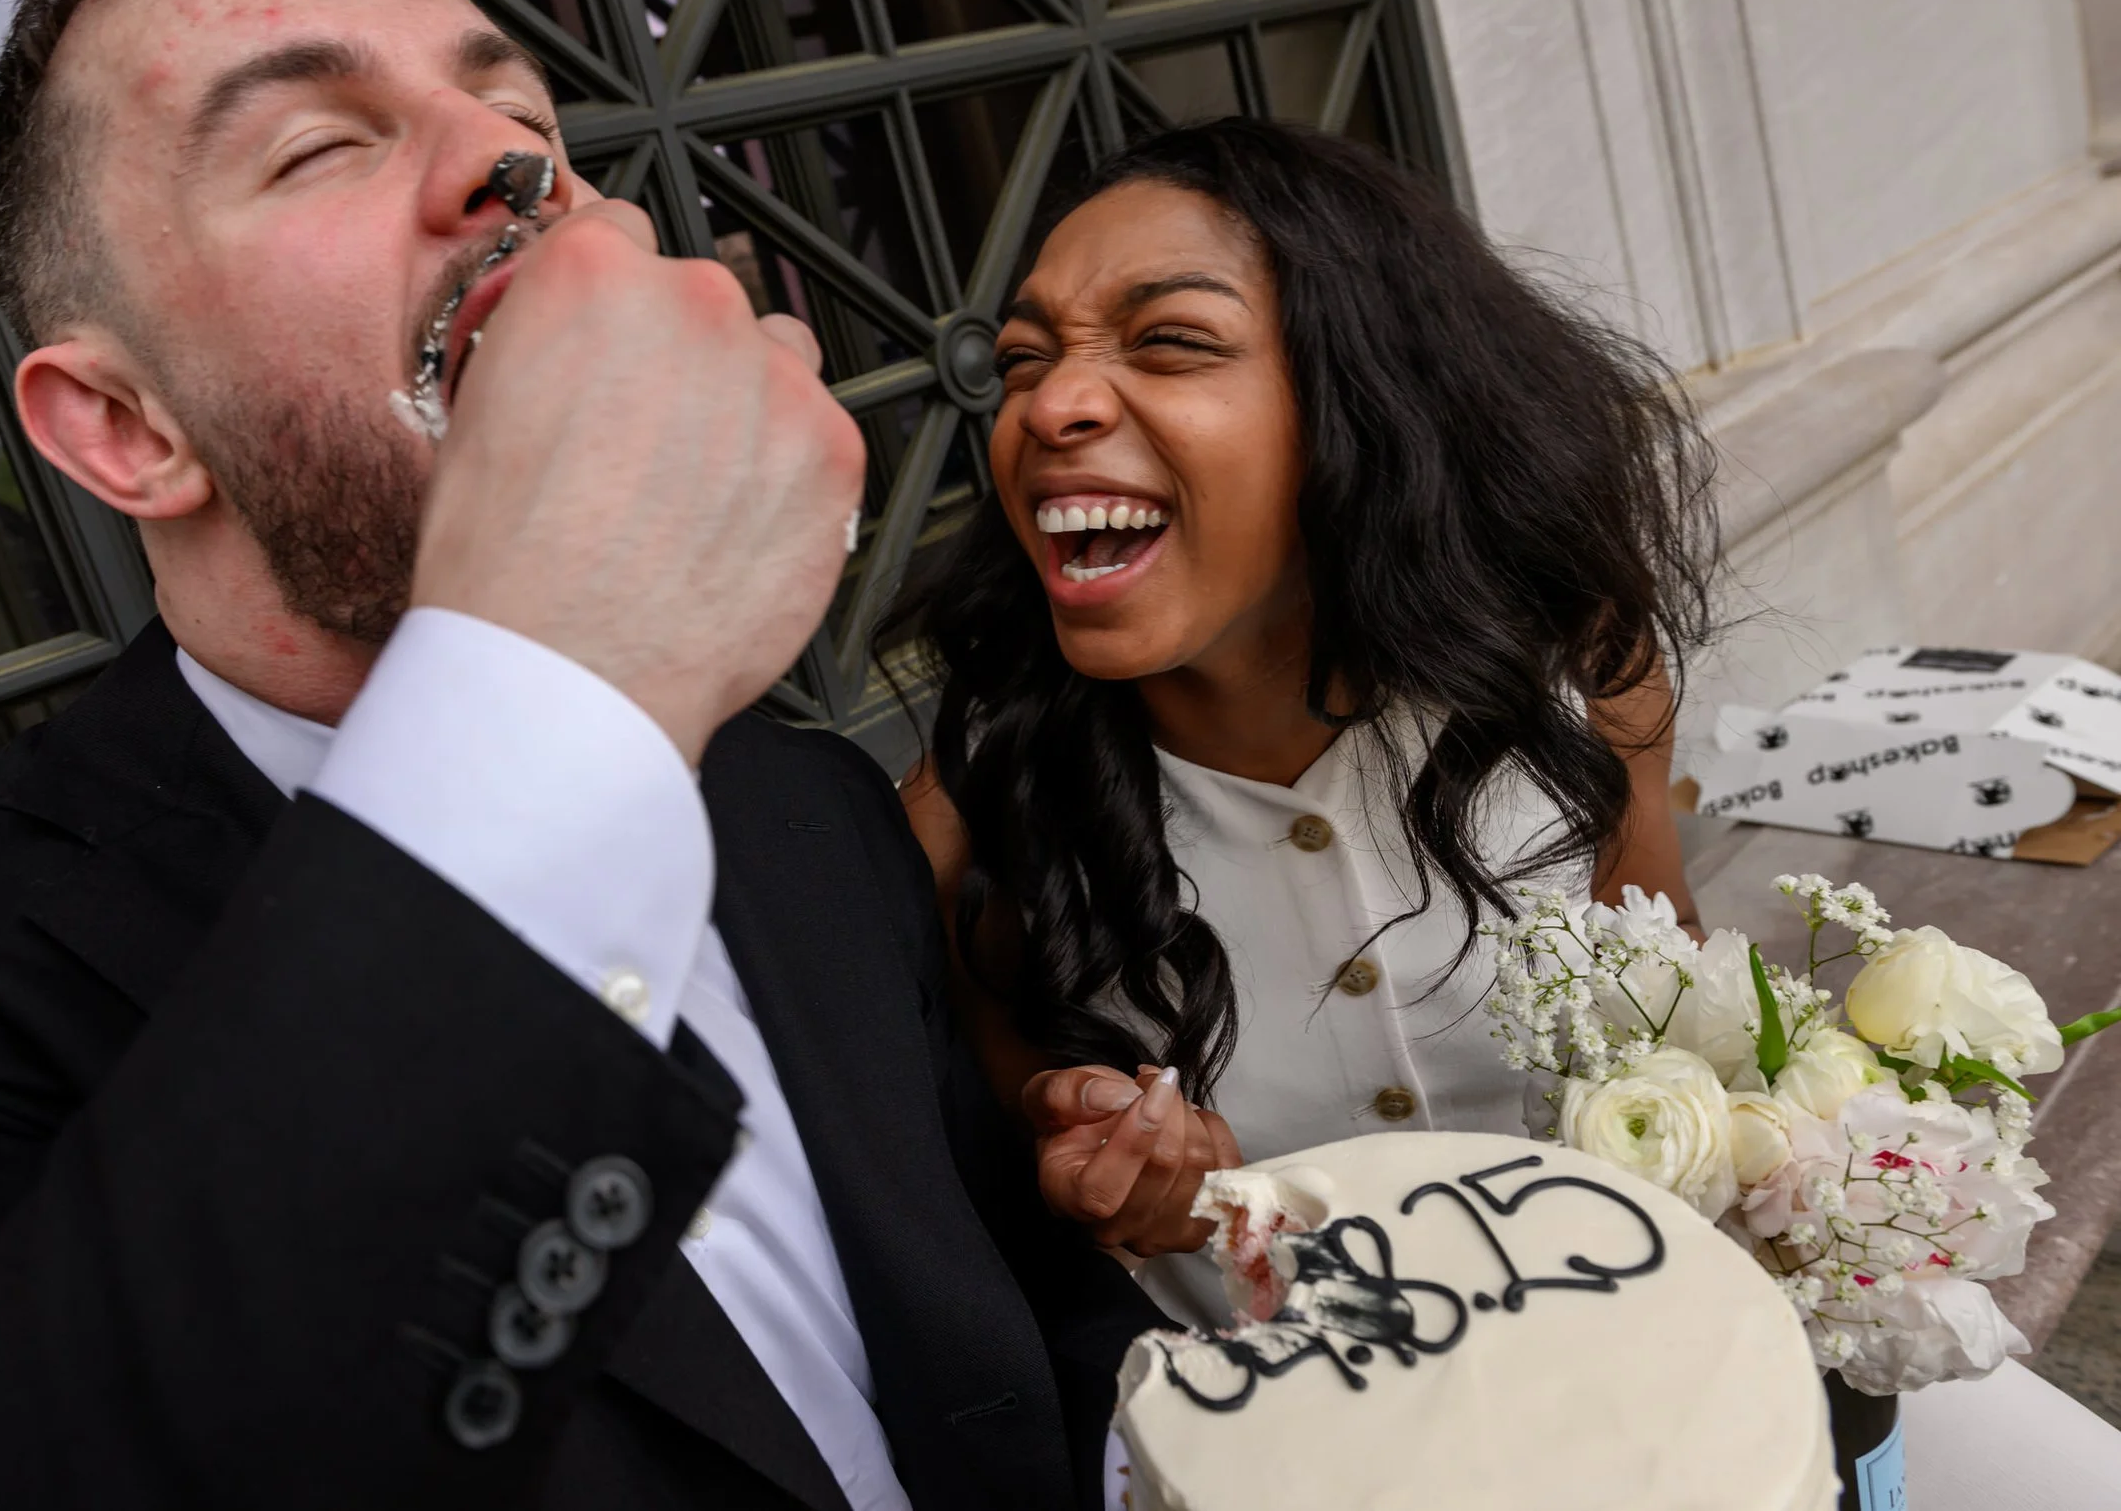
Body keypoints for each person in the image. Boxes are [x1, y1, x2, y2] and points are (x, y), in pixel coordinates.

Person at [0, 0, 1162, 1508]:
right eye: (316, 144)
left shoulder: (800, 799)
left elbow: (992, 1321)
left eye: (522, 108)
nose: (509, 166)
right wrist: (560, 685)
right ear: (128, 428)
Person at [896, 116, 2121, 1502]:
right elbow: (1009, 1254)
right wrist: (1139, 1200)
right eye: (1022, 360)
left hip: (1685, 1395)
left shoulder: (1578, 679)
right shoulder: (975, 821)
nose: (1050, 406)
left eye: (1168, 340)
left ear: (1359, 392)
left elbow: (1685, 1053)